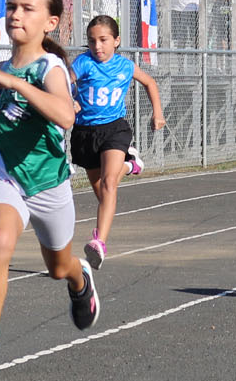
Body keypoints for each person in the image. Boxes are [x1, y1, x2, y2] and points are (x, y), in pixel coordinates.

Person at [0, 0, 99, 381]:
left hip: (47, 181)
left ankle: (79, 280)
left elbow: (65, 116)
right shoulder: (3, 68)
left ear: (50, 22)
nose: (16, 14)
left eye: (27, 9)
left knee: (58, 267)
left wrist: (17, 82)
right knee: (0, 242)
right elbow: (7, 111)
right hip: (4, 169)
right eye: (11, 7)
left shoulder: (50, 67)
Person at [70, 14, 166, 270]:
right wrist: (70, 99)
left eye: (103, 40)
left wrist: (157, 113)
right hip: (84, 132)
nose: (97, 46)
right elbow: (62, 82)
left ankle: (99, 242)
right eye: (92, 41)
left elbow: (149, 82)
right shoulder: (83, 62)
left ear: (116, 41)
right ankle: (129, 164)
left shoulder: (124, 65)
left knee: (110, 184)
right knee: (102, 191)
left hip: (114, 129)